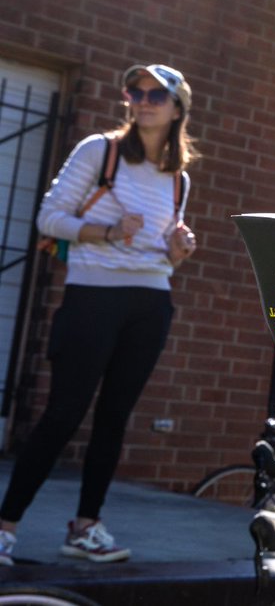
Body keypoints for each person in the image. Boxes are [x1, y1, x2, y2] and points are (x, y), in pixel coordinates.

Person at [0, 64, 198, 565]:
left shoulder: (179, 178)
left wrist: (178, 249)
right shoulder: (100, 151)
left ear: (178, 109)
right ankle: (5, 526)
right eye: (136, 91)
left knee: (114, 418)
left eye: (157, 94)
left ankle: (86, 527)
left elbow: (162, 247)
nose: (144, 100)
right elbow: (49, 219)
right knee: (63, 413)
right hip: (92, 296)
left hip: (151, 301)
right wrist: (107, 233)